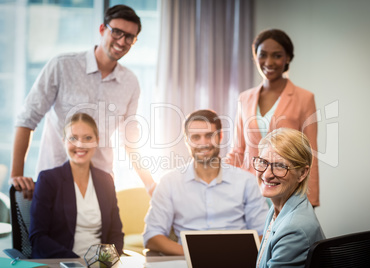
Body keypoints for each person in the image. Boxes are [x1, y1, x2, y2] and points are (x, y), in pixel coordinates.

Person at [11, 4, 156, 199]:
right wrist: (16, 175)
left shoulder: (130, 82)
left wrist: (150, 185)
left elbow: (130, 140)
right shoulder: (62, 66)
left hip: (100, 186)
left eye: (129, 37)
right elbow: (27, 119)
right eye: (117, 32)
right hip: (54, 181)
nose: (122, 41)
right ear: (102, 29)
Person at [143, 109, 269, 256]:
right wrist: (197, 254)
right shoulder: (169, 182)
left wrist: (229, 254)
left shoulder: (247, 181)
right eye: (196, 137)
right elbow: (152, 236)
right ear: (186, 140)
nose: (203, 143)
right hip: (187, 260)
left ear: (221, 136)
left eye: (209, 136)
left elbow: (264, 233)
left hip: (236, 260)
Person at [226, 29, 319, 207]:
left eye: (277, 56)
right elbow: (238, 150)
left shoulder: (304, 98)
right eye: (263, 55)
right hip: (250, 192)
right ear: (255, 57)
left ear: (288, 58)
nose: (269, 62)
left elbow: (311, 154)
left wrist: (311, 199)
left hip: (287, 191)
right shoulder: (244, 98)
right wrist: (213, 168)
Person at [29, 113, 124, 258]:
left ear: (97, 141)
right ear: (64, 141)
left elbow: (116, 234)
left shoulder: (106, 181)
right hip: (62, 264)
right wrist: (78, 263)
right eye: (73, 138)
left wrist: (105, 261)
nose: (80, 144)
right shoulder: (48, 180)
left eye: (88, 138)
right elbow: (38, 238)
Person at [253, 128, 325, 268]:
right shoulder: (280, 207)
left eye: (280, 166)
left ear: (302, 173)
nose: (267, 175)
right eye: (263, 162)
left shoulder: (293, 229)